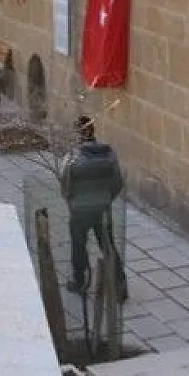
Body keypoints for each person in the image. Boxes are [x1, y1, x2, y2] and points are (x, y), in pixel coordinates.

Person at [62, 115, 127, 299]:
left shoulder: (73, 157)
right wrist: (106, 198)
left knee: (79, 244)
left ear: (78, 133)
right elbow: (118, 183)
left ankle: (80, 280)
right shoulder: (109, 155)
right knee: (108, 245)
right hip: (103, 207)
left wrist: (72, 201)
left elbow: (66, 185)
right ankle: (120, 283)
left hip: (80, 209)